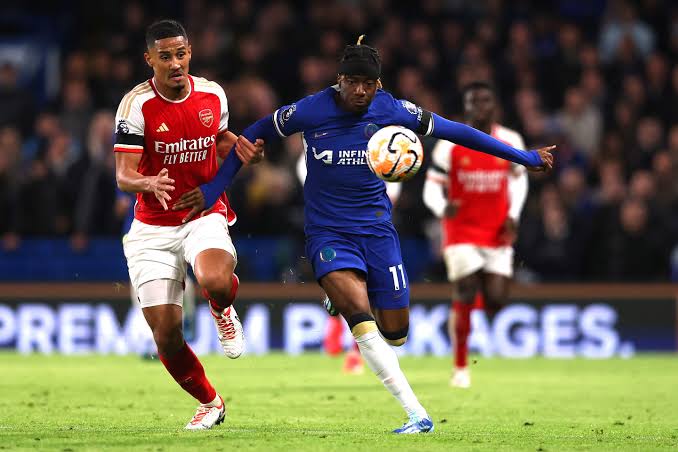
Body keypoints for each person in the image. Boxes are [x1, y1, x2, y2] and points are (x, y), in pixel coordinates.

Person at [175, 37, 554, 434]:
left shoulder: (393, 110)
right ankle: (416, 414)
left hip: (376, 230)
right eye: (352, 82)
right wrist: (214, 190)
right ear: (339, 80)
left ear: (379, 85)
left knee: (396, 332)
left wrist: (525, 157)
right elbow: (256, 130)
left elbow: (456, 131)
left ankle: (341, 295)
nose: (359, 90)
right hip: (327, 232)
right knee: (361, 318)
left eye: (367, 84)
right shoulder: (310, 110)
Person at [113, 19, 263, 430]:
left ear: (190, 52)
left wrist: (242, 149)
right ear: (150, 60)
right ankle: (211, 402)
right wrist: (147, 181)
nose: (175, 63)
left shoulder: (212, 94)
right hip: (152, 228)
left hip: (201, 212)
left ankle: (222, 309)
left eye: (181, 54)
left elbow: (219, 139)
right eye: (165, 57)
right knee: (166, 333)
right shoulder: (135, 106)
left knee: (215, 279)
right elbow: (123, 175)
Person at [422, 81, 529, 388]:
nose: (481, 107)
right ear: (466, 107)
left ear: (495, 106)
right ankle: (460, 367)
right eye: (474, 101)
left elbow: (519, 181)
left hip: (497, 230)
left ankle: (460, 309)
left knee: (495, 300)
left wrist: (513, 215)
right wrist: (443, 209)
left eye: (486, 101)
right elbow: (432, 186)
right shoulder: (449, 144)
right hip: (460, 230)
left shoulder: (509, 139)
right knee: (467, 288)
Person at [296, 153, 403, 374]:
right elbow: (307, 176)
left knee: (367, 290)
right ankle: (352, 350)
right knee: (355, 288)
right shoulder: (323, 145)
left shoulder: (382, 144)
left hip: (371, 224)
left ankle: (349, 339)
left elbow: (393, 183)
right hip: (334, 223)